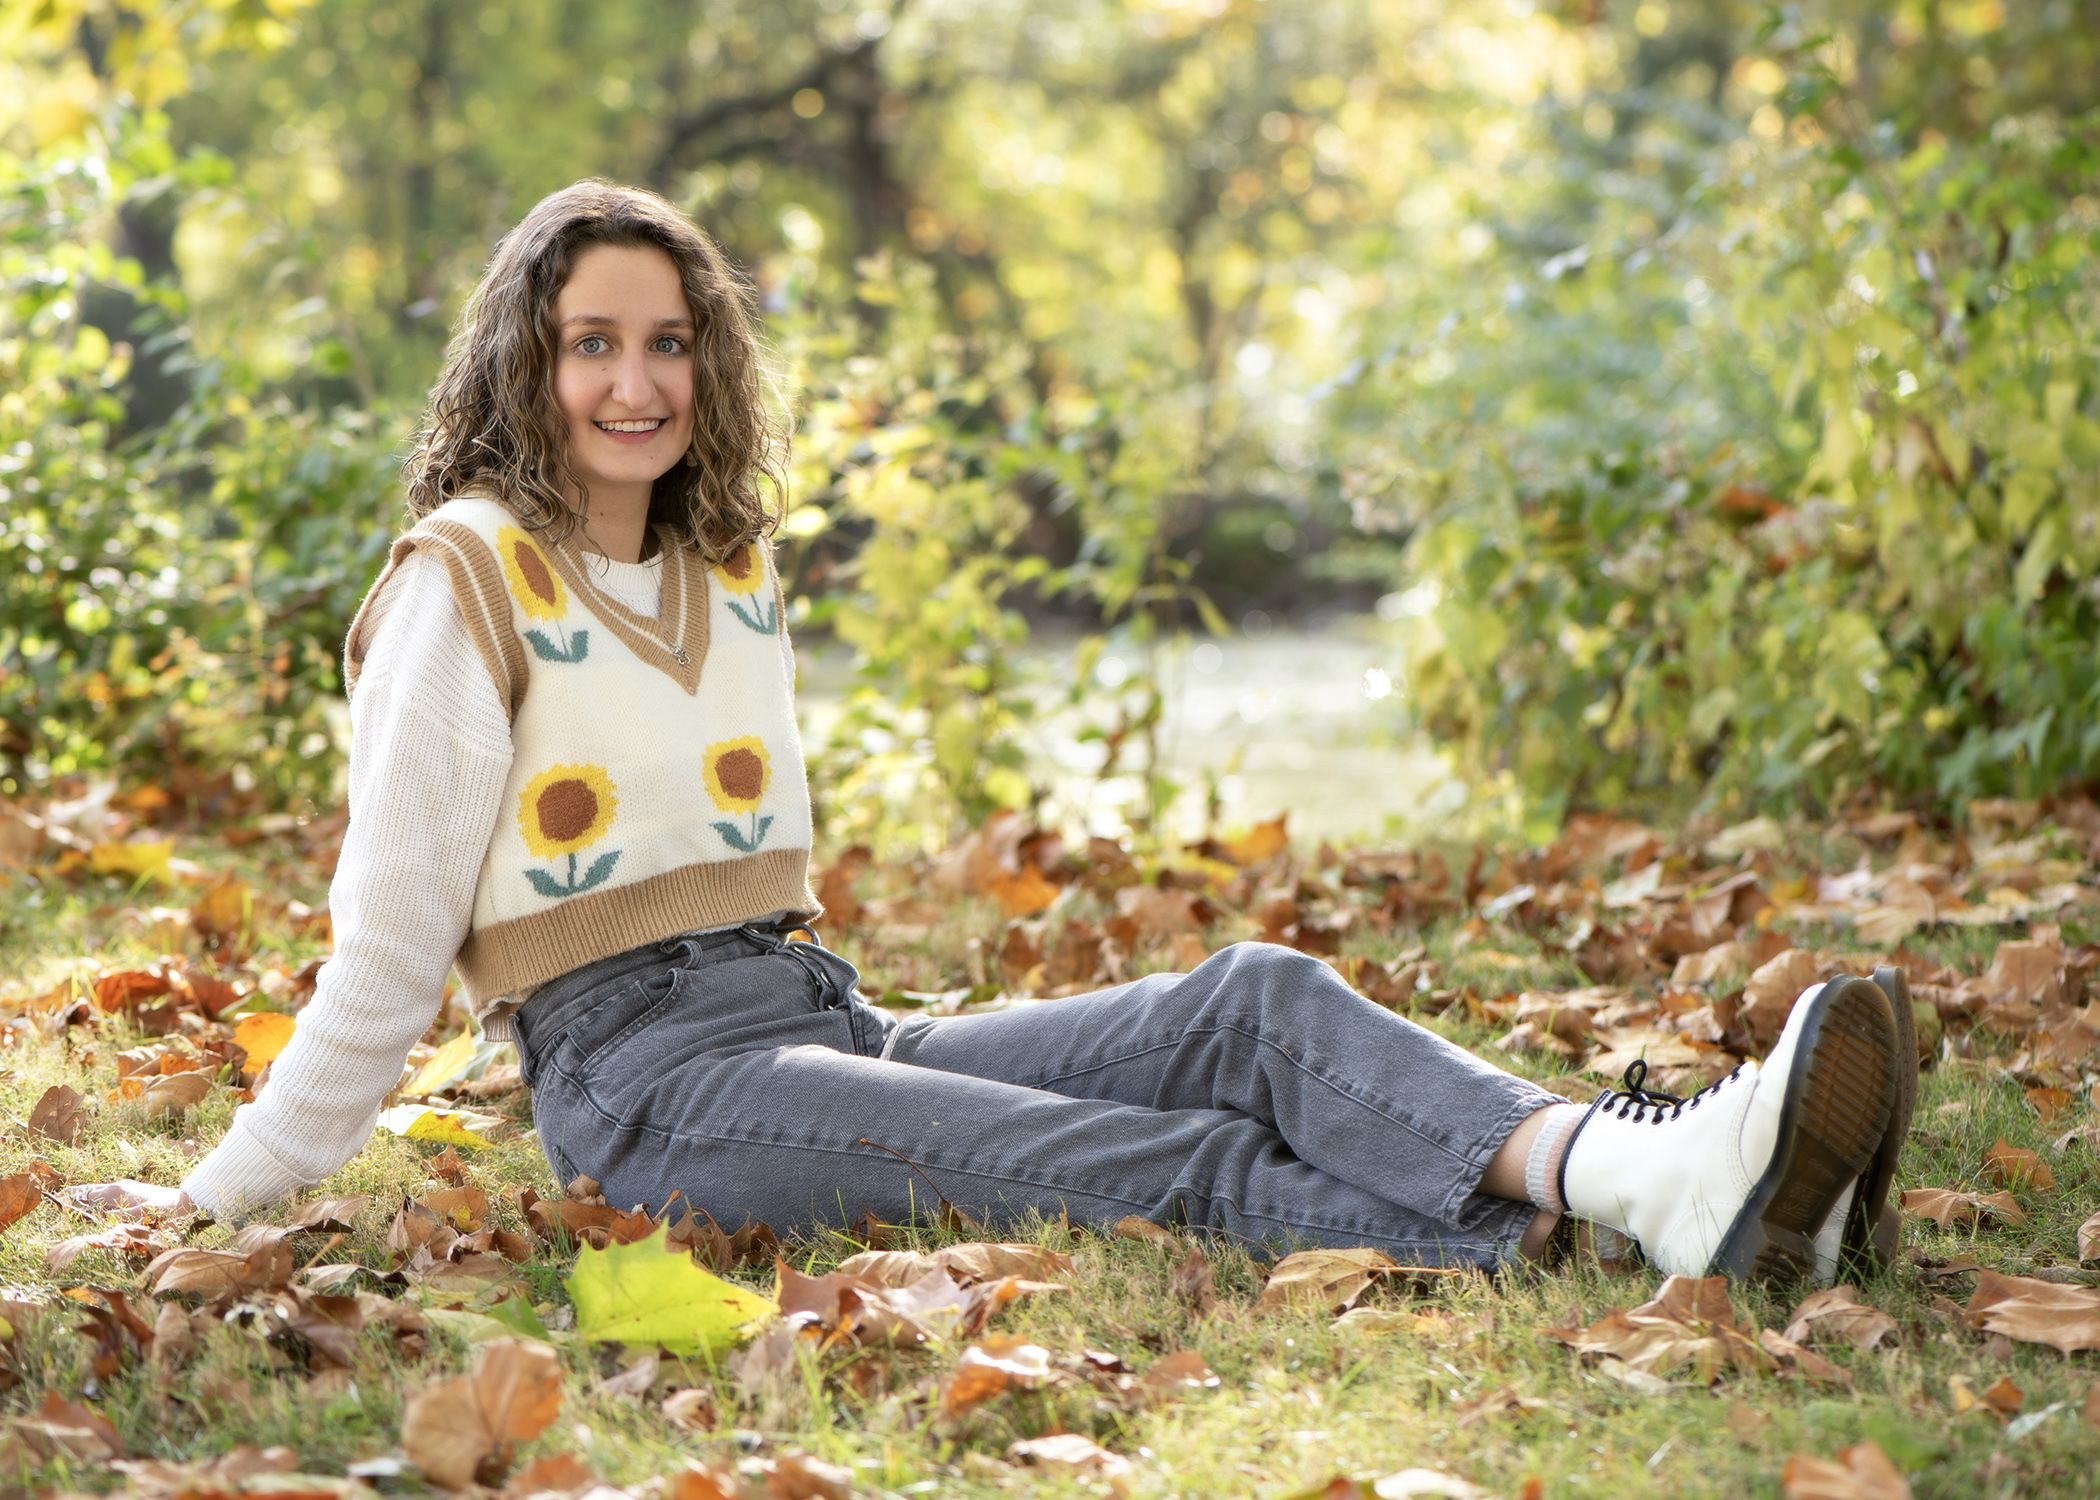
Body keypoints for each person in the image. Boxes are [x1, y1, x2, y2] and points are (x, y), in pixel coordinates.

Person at [77, 181, 1913, 1282]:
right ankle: (1653, 1220)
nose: (633, 382)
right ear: (519, 364)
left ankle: (1638, 1171)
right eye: (587, 343)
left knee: (1251, 1005)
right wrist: (212, 1197)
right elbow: (388, 957)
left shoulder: (728, 568)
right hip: (643, 1096)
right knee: (1145, 1172)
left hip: (815, 1014)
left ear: (705, 359)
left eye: (666, 342)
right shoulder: (459, 584)